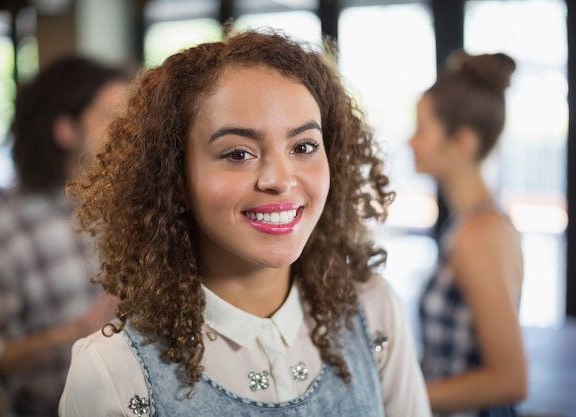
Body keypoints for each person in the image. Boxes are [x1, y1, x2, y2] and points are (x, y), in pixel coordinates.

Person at [58, 29, 431, 416]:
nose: (281, 179)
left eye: (303, 147)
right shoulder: (111, 371)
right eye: (238, 153)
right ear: (176, 180)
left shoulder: (374, 310)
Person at [0, 56, 129, 417]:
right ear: (66, 130)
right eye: (108, 117)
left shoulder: (127, 205)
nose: (125, 131)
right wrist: (74, 332)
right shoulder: (16, 231)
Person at [410, 50, 527, 416]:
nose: (412, 142)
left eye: (422, 130)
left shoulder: (480, 234)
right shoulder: (469, 224)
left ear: (462, 142)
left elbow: (510, 380)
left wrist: (401, 396)